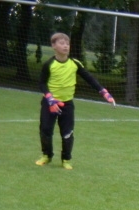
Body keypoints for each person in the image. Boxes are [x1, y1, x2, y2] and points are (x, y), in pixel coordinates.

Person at [35, 31, 115, 169]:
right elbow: (42, 83)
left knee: (67, 133)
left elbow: (89, 78)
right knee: (45, 130)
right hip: (50, 104)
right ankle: (47, 155)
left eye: (67, 43)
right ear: (54, 46)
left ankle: (66, 159)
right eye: (62, 43)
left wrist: (104, 92)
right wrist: (50, 98)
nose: (66, 46)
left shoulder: (75, 63)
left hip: (67, 104)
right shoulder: (49, 64)